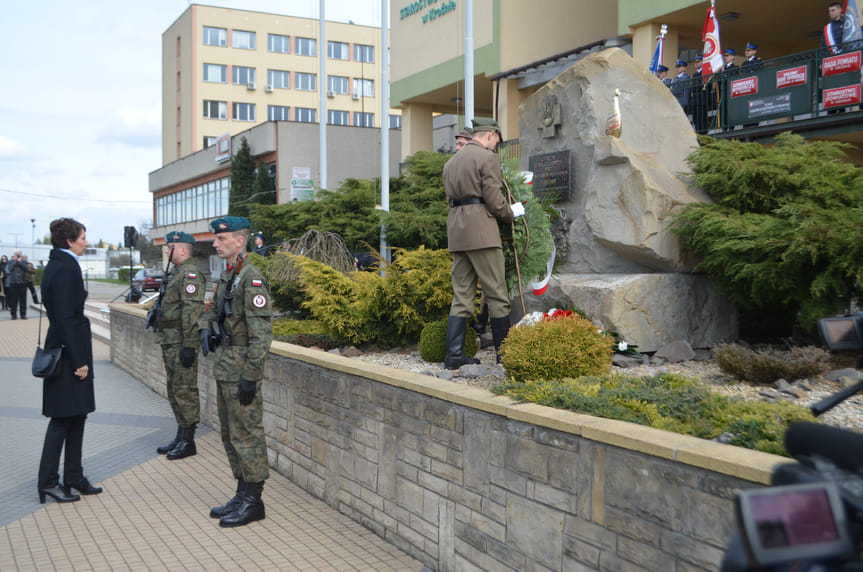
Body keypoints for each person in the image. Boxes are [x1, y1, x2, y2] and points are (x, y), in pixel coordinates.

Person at [199, 216, 273, 527]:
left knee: (248, 435)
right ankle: (242, 492)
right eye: (216, 239)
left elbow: (262, 334)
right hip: (226, 367)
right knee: (231, 435)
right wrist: (207, 329)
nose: (215, 244)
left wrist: (250, 376)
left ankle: (254, 501)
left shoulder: (252, 278)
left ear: (239, 241)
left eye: (221, 239)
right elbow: (213, 311)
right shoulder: (232, 275)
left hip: (241, 370)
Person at [442, 118, 524, 369]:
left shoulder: (451, 162)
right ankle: (505, 355)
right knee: (497, 294)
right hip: (482, 233)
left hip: (457, 233)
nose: (496, 145)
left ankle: (453, 355)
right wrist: (512, 213)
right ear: (490, 135)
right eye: (496, 140)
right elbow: (493, 199)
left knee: (462, 295)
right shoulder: (487, 158)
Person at [37, 217, 102, 504]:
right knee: (63, 420)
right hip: (68, 354)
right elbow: (64, 317)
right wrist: (79, 361)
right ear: (69, 240)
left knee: (77, 415)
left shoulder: (60, 264)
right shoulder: (64, 268)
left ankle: (73, 476)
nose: (86, 242)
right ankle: (49, 482)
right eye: (83, 237)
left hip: (68, 349)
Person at [154, 231, 206, 460]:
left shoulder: (190, 274)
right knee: (174, 389)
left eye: (170, 247)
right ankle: (180, 434)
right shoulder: (176, 272)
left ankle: (188, 440)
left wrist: (188, 345)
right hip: (170, 340)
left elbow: (191, 312)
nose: (167, 250)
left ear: (182, 250)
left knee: (185, 390)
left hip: (180, 342)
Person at [6, 250, 29, 319]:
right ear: (14, 255)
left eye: (19, 254)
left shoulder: (24, 262)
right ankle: (13, 315)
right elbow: (9, 270)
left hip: (22, 283)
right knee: (13, 300)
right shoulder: (11, 262)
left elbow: (26, 269)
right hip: (13, 283)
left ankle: (23, 314)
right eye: (17, 254)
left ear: (21, 254)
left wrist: (20, 262)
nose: (18, 255)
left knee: (23, 300)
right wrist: (15, 261)